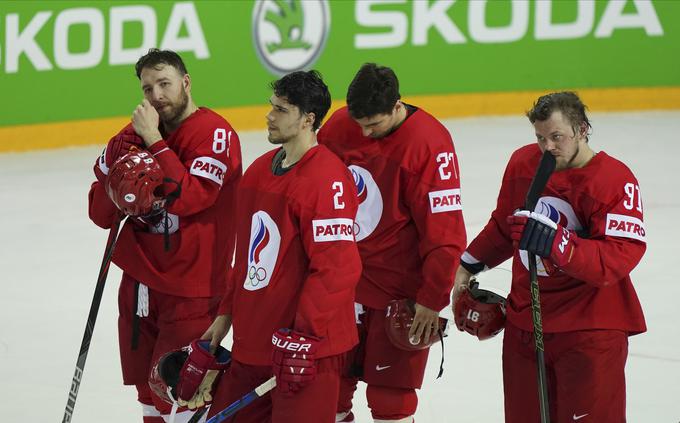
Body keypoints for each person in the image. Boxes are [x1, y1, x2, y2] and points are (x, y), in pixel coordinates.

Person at [452, 91, 647, 422]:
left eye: (557, 137)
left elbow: (616, 258)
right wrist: (466, 265)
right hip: (527, 321)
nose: (548, 148)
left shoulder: (614, 180)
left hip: (590, 330)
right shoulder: (523, 164)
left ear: (582, 129)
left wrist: (561, 244)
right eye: (540, 137)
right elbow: (503, 227)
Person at [194, 70, 362, 422]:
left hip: (307, 352)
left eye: (281, 110)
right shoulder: (257, 172)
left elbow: (336, 268)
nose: (269, 116)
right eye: (271, 106)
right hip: (252, 345)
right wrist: (224, 318)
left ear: (308, 120)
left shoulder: (326, 179)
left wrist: (303, 337)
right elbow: (247, 260)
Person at [87, 48, 242, 423]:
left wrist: (154, 141)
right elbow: (98, 212)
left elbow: (191, 197)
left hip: (193, 287)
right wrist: (120, 184)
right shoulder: (130, 136)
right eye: (147, 88)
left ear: (186, 83)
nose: (156, 95)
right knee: (147, 389)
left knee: (182, 395)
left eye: (165, 84)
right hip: (140, 285)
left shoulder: (214, 134)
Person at [317, 63, 467, 423]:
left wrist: (432, 300)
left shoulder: (430, 144)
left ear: (397, 106)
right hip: (343, 285)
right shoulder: (339, 127)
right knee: (328, 389)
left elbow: (445, 234)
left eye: (375, 125)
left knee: (391, 398)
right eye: (360, 124)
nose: (366, 133)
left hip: (399, 291)